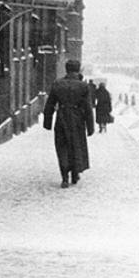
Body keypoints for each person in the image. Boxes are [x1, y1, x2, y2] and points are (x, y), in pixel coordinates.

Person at [43, 59, 94, 188]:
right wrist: (90, 127)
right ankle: (75, 173)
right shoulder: (83, 86)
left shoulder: (57, 84)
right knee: (76, 146)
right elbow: (88, 108)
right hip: (77, 119)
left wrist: (47, 122)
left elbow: (50, 104)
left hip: (62, 118)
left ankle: (64, 177)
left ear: (66, 69)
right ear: (77, 70)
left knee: (62, 147)